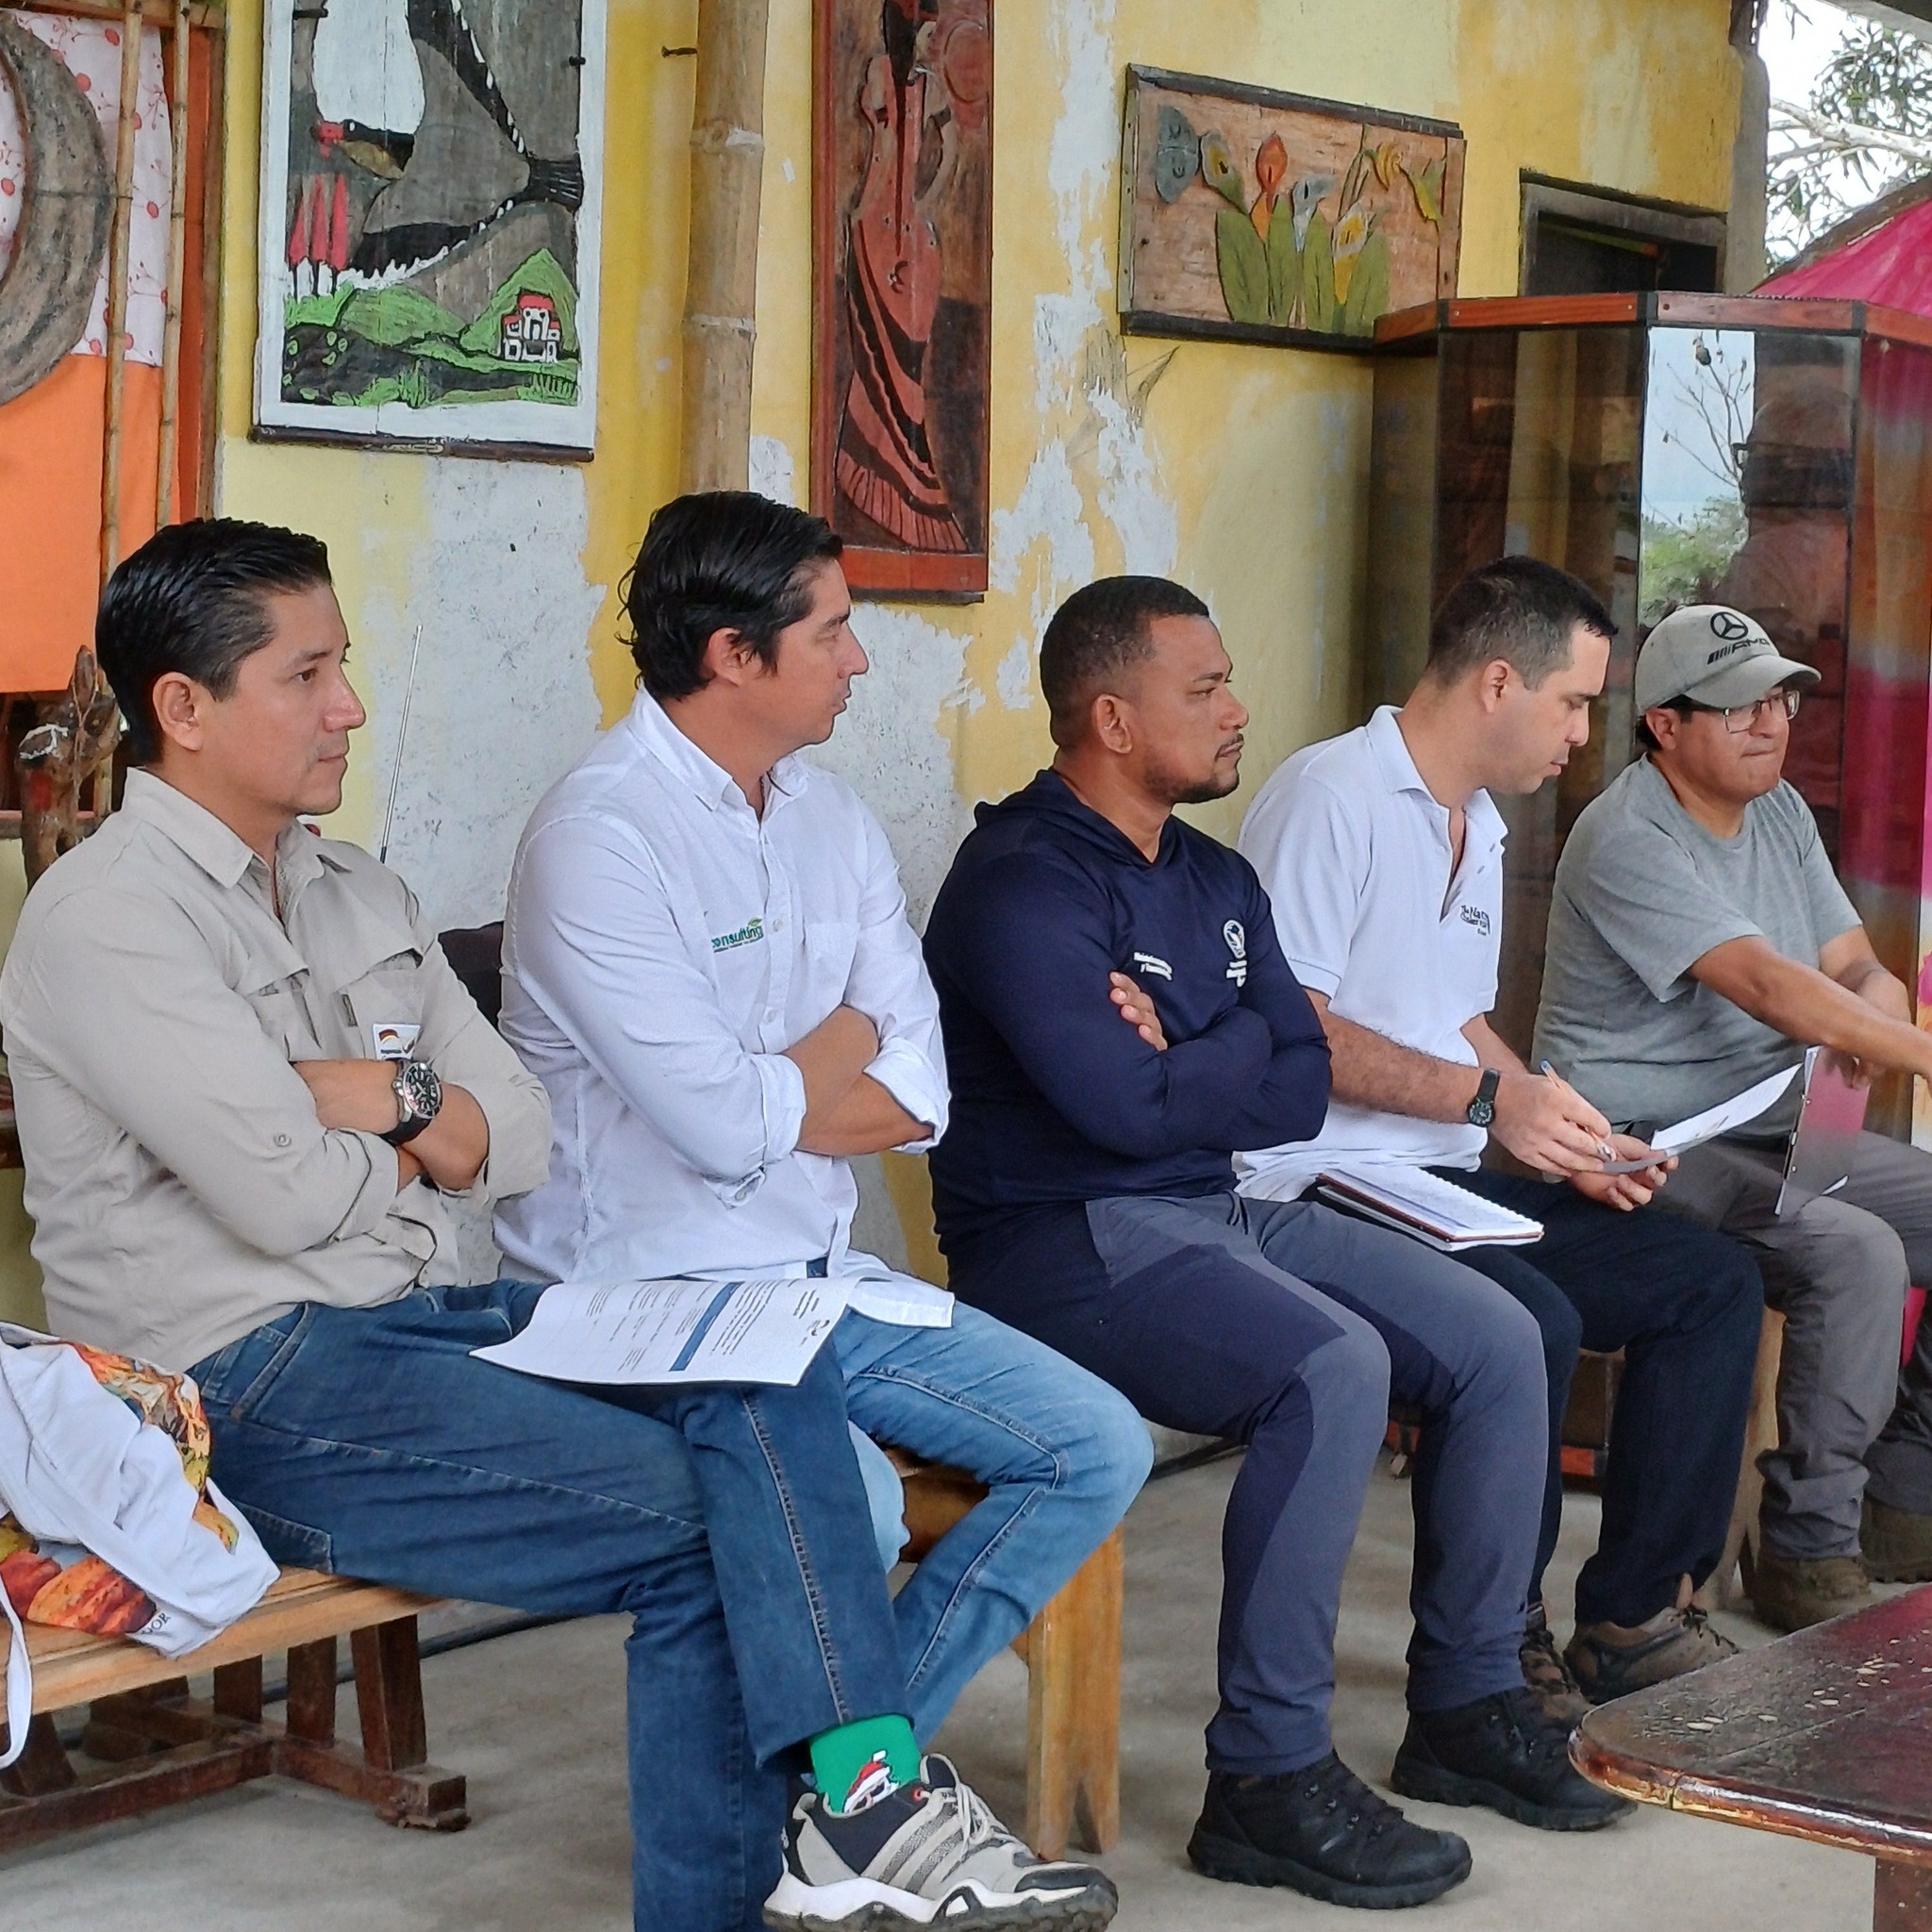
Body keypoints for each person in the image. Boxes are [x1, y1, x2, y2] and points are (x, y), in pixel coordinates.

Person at [0, 518, 1113, 1932]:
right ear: (185, 707)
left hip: (430, 1320)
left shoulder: (357, 890)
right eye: (307, 675)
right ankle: (845, 1815)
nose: (350, 706)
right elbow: (282, 1193)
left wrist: (378, 1098)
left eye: (344, 666)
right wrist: (429, 1130)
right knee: (709, 1528)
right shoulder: (109, 917)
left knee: (757, 1355)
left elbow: (511, 1134)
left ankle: (861, 1803)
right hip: (243, 1378)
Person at [924, 575, 1626, 1917]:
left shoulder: (1213, 876)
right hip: (1059, 1239)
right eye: (1205, 689)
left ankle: (1467, 1701)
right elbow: (1120, 1111)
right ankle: (1265, 1775)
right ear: (1112, 718)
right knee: (1330, 1366)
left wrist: (1200, 1044)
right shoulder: (1020, 878)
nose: (1238, 710)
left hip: (1212, 1209)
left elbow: (1296, 1084)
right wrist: (1237, 1041)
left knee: (1496, 1334)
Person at [494, 493, 1150, 1927]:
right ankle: (833, 1822)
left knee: (1094, 1444)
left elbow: (922, 1088)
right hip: (645, 1302)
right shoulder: (598, 836)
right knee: (844, 1495)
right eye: (834, 631)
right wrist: (838, 1046)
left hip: (812, 1274)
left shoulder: (827, 813)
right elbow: (723, 1125)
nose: (859, 660)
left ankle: (849, 1800)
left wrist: (783, 1079)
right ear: (733, 654)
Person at [1237, 558, 1765, 1703]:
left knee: (1706, 1280)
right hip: (1315, 1183)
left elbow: (1456, 1021)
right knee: (1529, 1316)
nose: (1582, 734)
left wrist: (1561, 1127)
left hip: (1434, 1179)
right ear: (1494, 682)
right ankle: (1497, 1635)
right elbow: (1290, 1031)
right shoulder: (1328, 795)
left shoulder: (1476, 821)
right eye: (1572, 702)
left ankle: (1630, 1615)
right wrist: (1489, 1105)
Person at [1536, 601, 1932, 1626]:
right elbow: (1765, 982)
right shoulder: (1625, 832)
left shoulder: (1780, 812)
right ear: (1663, 725)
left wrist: (1877, 1008)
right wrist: (1912, 1049)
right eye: (1735, 706)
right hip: (1645, 1142)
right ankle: (1806, 1545)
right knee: (1855, 1253)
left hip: (1772, 1127)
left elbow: (1849, 963)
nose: (1768, 723)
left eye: (1779, 701)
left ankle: (1905, 1490)